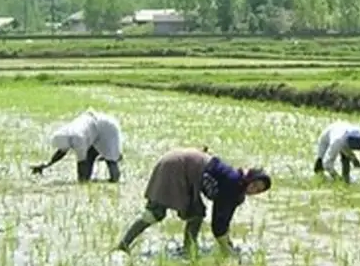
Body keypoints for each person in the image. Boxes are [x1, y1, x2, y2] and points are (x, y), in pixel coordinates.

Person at [115, 147, 272, 256]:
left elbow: (224, 220)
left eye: (258, 190)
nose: (254, 190)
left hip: (184, 167)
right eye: (255, 184)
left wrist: (227, 243)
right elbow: (219, 224)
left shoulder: (237, 187)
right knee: (155, 213)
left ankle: (188, 250)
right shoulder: (232, 184)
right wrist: (227, 250)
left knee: (196, 213)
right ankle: (123, 246)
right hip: (176, 167)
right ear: (249, 179)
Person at [30, 109, 124, 182]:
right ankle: (89, 180)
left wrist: (81, 181)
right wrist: (47, 164)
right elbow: (61, 152)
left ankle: (114, 180)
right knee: (90, 157)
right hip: (95, 129)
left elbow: (81, 162)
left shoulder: (78, 139)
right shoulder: (66, 134)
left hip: (107, 128)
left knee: (110, 159)